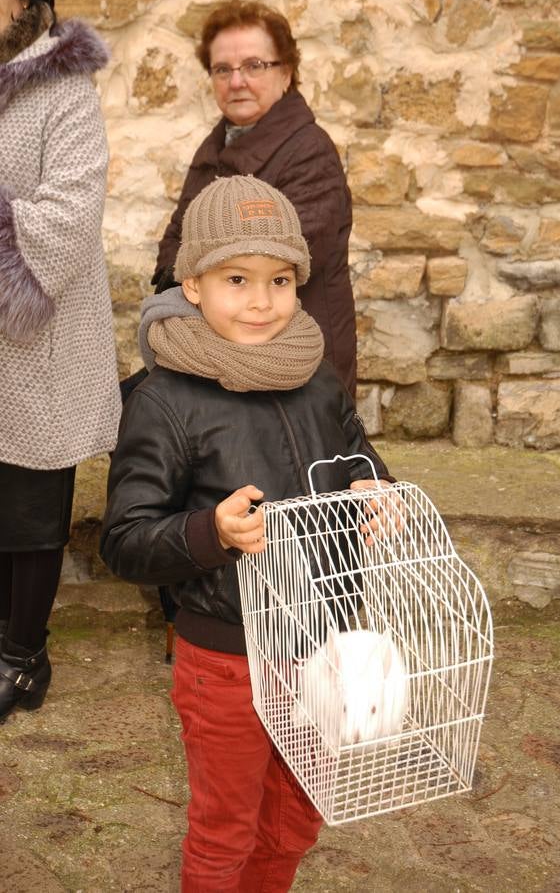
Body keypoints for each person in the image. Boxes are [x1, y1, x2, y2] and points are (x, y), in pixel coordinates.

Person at [100, 175, 392, 892]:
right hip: (227, 660)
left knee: (296, 813)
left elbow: (356, 454)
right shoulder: (163, 400)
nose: (262, 300)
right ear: (193, 285)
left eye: (281, 280)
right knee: (225, 826)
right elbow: (127, 539)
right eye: (238, 278)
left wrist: (376, 489)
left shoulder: (317, 376)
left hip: (325, 646)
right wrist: (211, 531)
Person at [0, 0, 121, 721]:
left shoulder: (65, 94)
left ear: (33, 4)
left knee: (33, 508)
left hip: (39, 345)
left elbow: (70, 217)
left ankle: (24, 655)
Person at [150, 0, 357, 397]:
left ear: (287, 73)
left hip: (292, 358)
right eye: (222, 69)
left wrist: (201, 276)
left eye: (254, 65)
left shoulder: (310, 152)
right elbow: (175, 239)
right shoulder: (214, 147)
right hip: (227, 351)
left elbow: (276, 257)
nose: (236, 80)